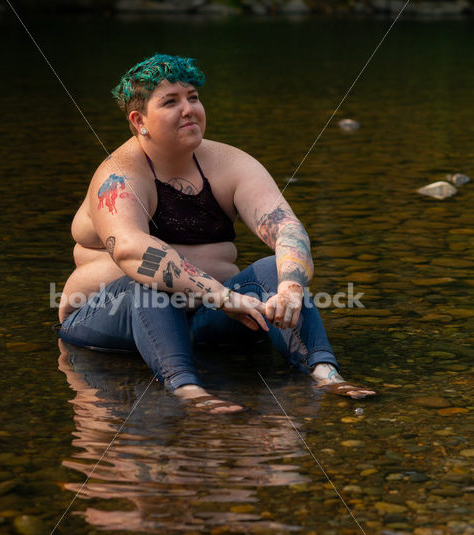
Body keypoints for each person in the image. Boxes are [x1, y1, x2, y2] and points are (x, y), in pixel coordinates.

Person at [57, 53, 375, 413]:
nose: (189, 109)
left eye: (193, 97)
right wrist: (223, 296)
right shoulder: (119, 176)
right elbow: (132, 250)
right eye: (171, 102)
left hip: (207, 320)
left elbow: (288, 229)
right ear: (139, 120)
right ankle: (187, 389)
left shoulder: (230, 164)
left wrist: (289, 286)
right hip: (109, 320)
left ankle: (324, 373)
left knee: (273, 269)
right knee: (149, 280)